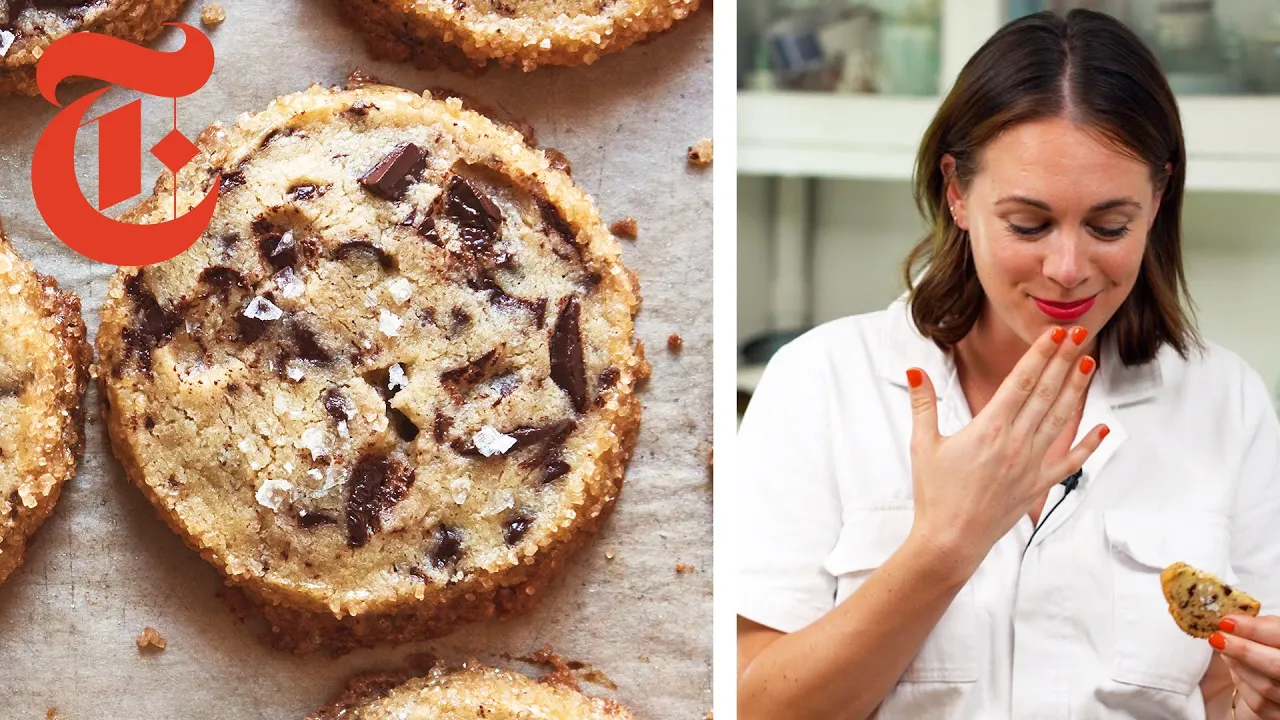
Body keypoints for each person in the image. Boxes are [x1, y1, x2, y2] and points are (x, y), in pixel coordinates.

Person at [735, 9, 1280, 720]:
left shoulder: (1225, 400)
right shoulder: (820, 381)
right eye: (1029, 224)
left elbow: (1222, 692)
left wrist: (1259, 703)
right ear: (958, 192)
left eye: (1109, 226)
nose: (1067, 268)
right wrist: (943, 544)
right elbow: (751, 704)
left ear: (1158, 200)